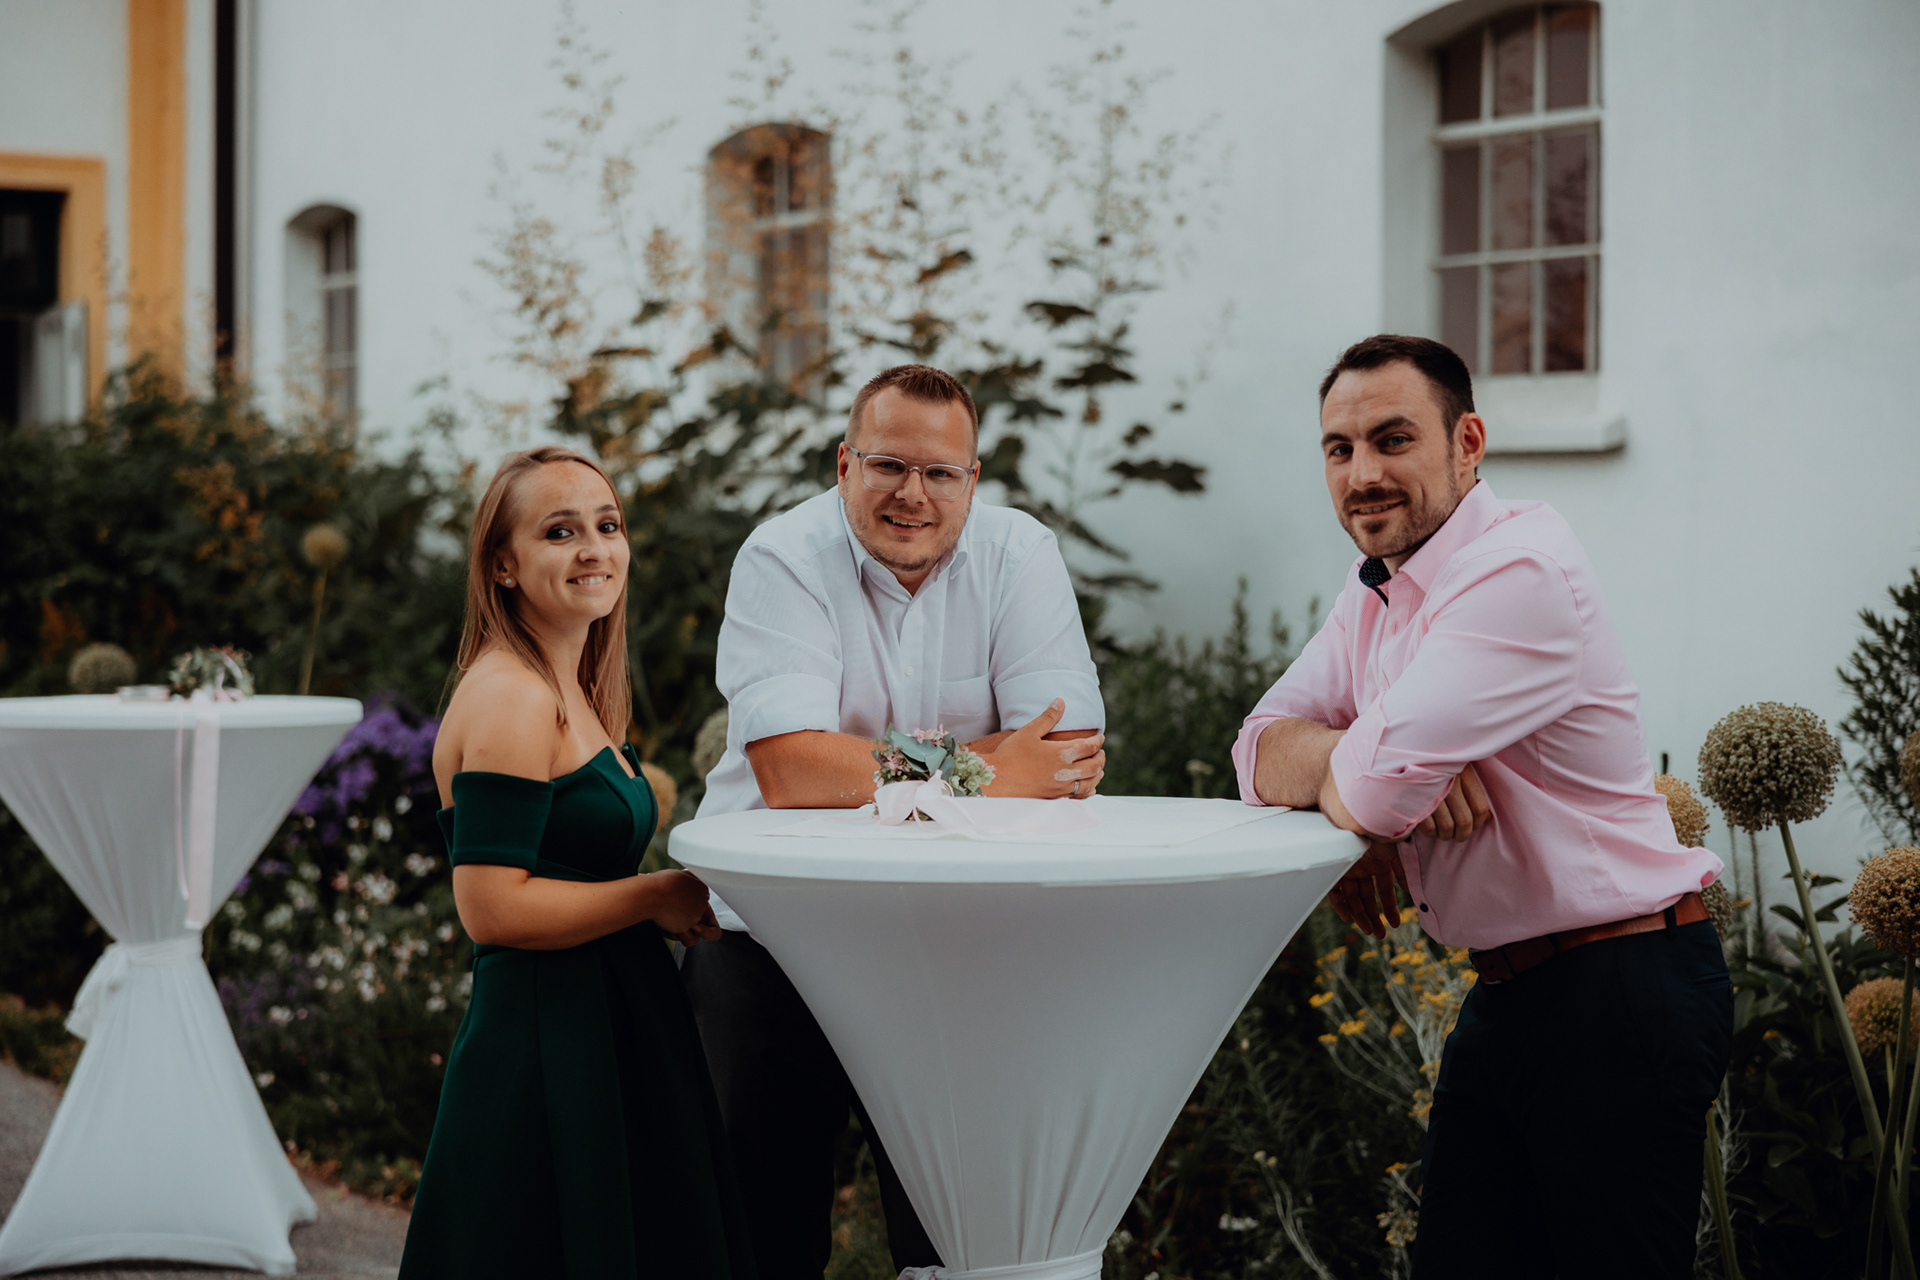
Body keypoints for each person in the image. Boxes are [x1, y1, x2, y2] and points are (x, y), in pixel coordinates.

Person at [1231, 335, 1729, 1279]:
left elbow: (1377, 790)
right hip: (1510, 993)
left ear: (1468, 443)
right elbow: (1255, 748)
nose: (1363, 474)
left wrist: (1372, 783)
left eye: (1393, 440)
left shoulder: (1518, 571)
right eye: (1340, 449)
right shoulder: (1376, 589)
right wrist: (1356, 761)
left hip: (1620, 993)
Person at [685, 363, 1107, 1279]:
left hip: (954, 945)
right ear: (845, 466)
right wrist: (981, 766)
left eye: (940, 472)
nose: (913, 494)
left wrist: (875, 767)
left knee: (956, 1242)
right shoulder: (783, 558)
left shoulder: (1018, 555)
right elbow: (791, 769)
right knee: (756, 1239)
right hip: (773, 940)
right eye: (888, 465)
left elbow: (1067, 756)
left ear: (972, 480)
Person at [400, 445, 753, 1279]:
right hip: (547, 1049)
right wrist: (651, 896)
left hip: (608, 1029)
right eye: (560, 531)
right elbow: (491, 908)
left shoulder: (573, 688)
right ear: (504, 565)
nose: (595, 549)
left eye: (608, 525)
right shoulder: (511, 697)